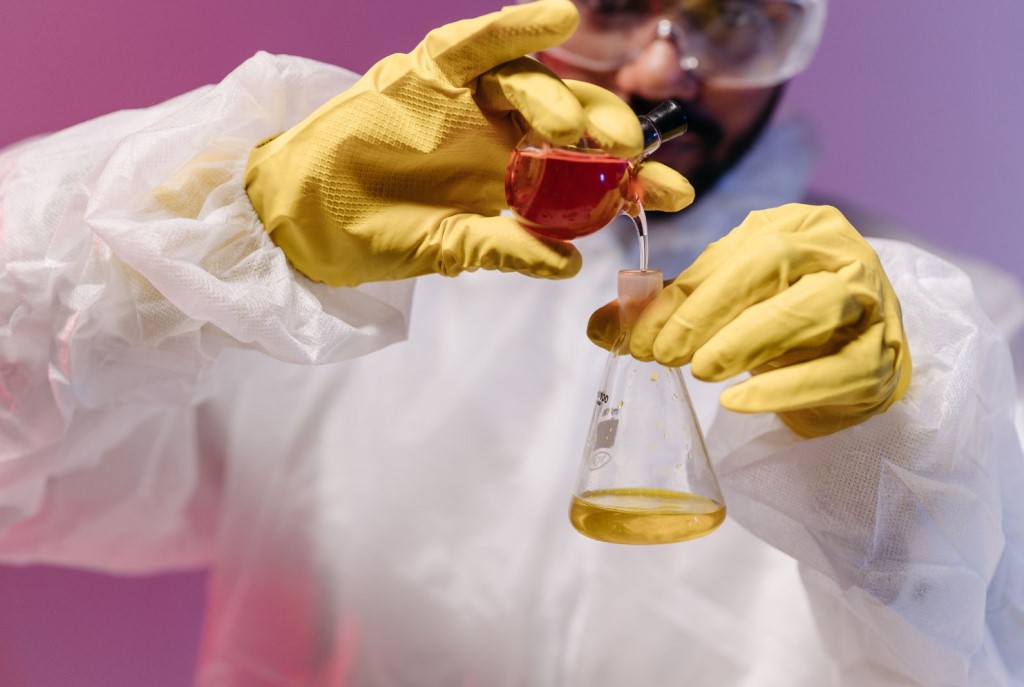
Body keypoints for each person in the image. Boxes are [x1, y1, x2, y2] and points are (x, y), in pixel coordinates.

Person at [0, 1, 1021, 686]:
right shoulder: (308, 283)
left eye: (733, 18)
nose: (665, 65)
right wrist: (193, 247)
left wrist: (892, 468)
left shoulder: (947, 340)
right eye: (616, 2)